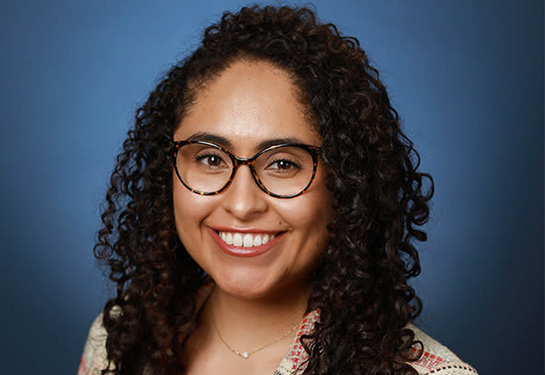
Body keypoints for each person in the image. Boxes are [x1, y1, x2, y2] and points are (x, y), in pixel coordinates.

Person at [78, 5, 478, 375]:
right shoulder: (117, 341)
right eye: (211, 159)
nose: (241, 204)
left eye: (283, 164)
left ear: (347, 187)